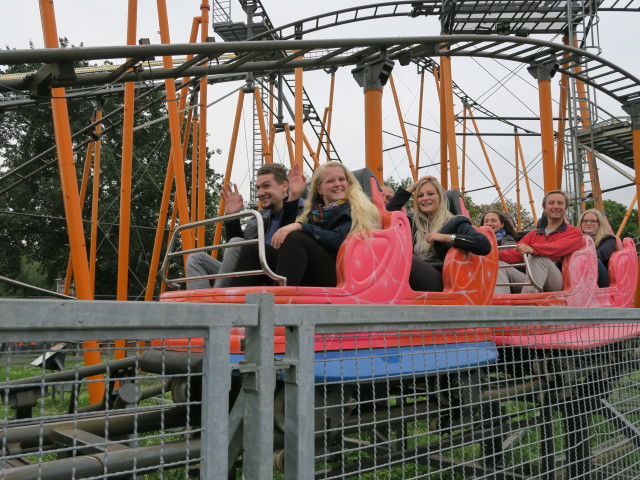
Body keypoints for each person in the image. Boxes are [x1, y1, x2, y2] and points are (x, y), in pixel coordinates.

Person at [230, 161, 381, 287]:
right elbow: (282, 238)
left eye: (342, 179)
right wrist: (294, 197)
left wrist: (301, 226)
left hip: (340, 272)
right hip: (312, 269)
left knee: (296, 237)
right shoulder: (314, 212)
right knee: (253, 250)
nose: (338, 184)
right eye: (330, 181)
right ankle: (235, 303)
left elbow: (338, 239)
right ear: (320, 189)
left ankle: (279, 300)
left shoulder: (355, 209)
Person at [185, 163, 305, 289]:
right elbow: (238, 251)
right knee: (196, 258)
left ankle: (220, 301)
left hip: (277, 272)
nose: (260, 193)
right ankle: (201, 305)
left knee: (237, 242)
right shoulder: (260, 216)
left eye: (266, 186)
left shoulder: (304, 211)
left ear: (284, 186)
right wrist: (233, 217)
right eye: (258, 188)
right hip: (250, 270)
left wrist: (294, 198)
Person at [387, 176, 492, 292]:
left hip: (442, 280)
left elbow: (483, 244)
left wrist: (446, 237)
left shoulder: (455, 222)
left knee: (404, 258)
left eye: (430, 194)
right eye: (420, 195)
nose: (425, 198)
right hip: (410, 279)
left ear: (441, 197)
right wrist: (414, 186)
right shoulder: (413, 224)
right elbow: (390, 211)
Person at [494, 190, 583, 294]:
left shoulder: (574, 232)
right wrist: (491, 254)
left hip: (556, 281)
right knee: (498, 264)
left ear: (566, 208)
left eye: (560, 203)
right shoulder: (534, 234)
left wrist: (533, 249)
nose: (555, 206)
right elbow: (515, 253)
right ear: (545, 208)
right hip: (532, 278)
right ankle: (500, 304)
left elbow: (559, 247)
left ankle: (528, 303)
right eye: (551, 203)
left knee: (538, 257)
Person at [579, 208, 616, 288]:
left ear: (599, 223)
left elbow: (601, 254)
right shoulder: (575, 239)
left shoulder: (608, 238)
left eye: (593, 221)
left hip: (600, 278)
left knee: (594, 260)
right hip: (577, 273)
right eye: (585, 221)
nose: (588, 223)